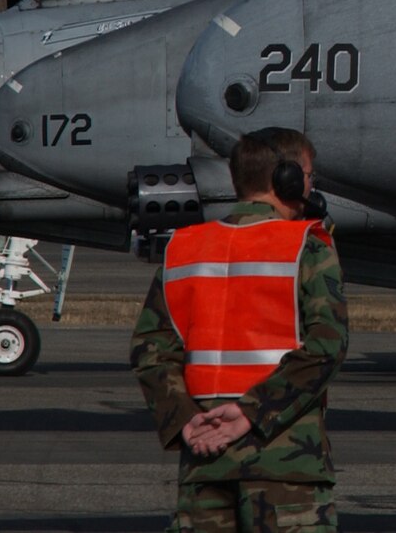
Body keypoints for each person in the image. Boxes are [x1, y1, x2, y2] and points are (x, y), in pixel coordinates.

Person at [132, 126, 348, 532]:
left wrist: (186, 421)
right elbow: (326, 347)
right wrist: (251, 414)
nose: (310, 184)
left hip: (204, 461)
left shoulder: (183, 248)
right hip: (284, 465)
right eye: (307, 175)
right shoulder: (308, 246)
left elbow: (150, 349)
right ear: (286, 179)